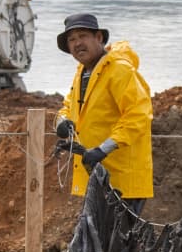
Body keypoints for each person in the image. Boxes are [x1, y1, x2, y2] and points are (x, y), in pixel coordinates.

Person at [54, 13, 153, 214]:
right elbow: (68, 105)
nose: (77, 44)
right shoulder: (83, 72)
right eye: (71, 39)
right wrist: (62, 122)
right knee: (94, 242)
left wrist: (103, 149)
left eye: (82, 36)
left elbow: (138, 115)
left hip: (122, 181)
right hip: (95, 177)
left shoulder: (119, 70)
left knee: (118, 244)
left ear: (98, 38)